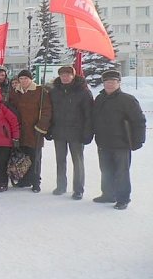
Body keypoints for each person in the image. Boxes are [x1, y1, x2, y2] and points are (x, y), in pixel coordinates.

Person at [92, 70, 146, 210]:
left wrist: (138, 140)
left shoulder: (127, 100)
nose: (109, 84)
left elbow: (139, 121)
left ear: (119, 83)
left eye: (113, 81)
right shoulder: (99, 99)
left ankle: (123, 198)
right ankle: (108, 194)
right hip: (103, 142)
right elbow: (94, 119)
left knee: (122, 172)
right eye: (107, 82)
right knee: (106, 170)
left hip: (121, 143)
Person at [47, 66, 93, 200]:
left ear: (73, 76)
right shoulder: (54, 91)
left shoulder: (83, 91)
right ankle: (61, 185)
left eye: (68, 75)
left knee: (77, 162)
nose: (65, 77)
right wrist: (49, 129)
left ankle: (78, 189)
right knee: (60, 160)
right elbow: (50, 112)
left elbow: (88, 114)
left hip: (76, 132)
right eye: (62, 75)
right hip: (59, 131)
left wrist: (87, 132)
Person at [9, 69, 52, 193]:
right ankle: (24, 179)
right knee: (23, 157)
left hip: (34, 131)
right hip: (20, 131)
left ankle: (35, 182)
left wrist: (41, 126)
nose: (23, 81)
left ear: (31, 79)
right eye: (21, 79)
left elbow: (46, 111)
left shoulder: (40, 91)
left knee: (35, 157)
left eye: (26, 79)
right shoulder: (15, 92)